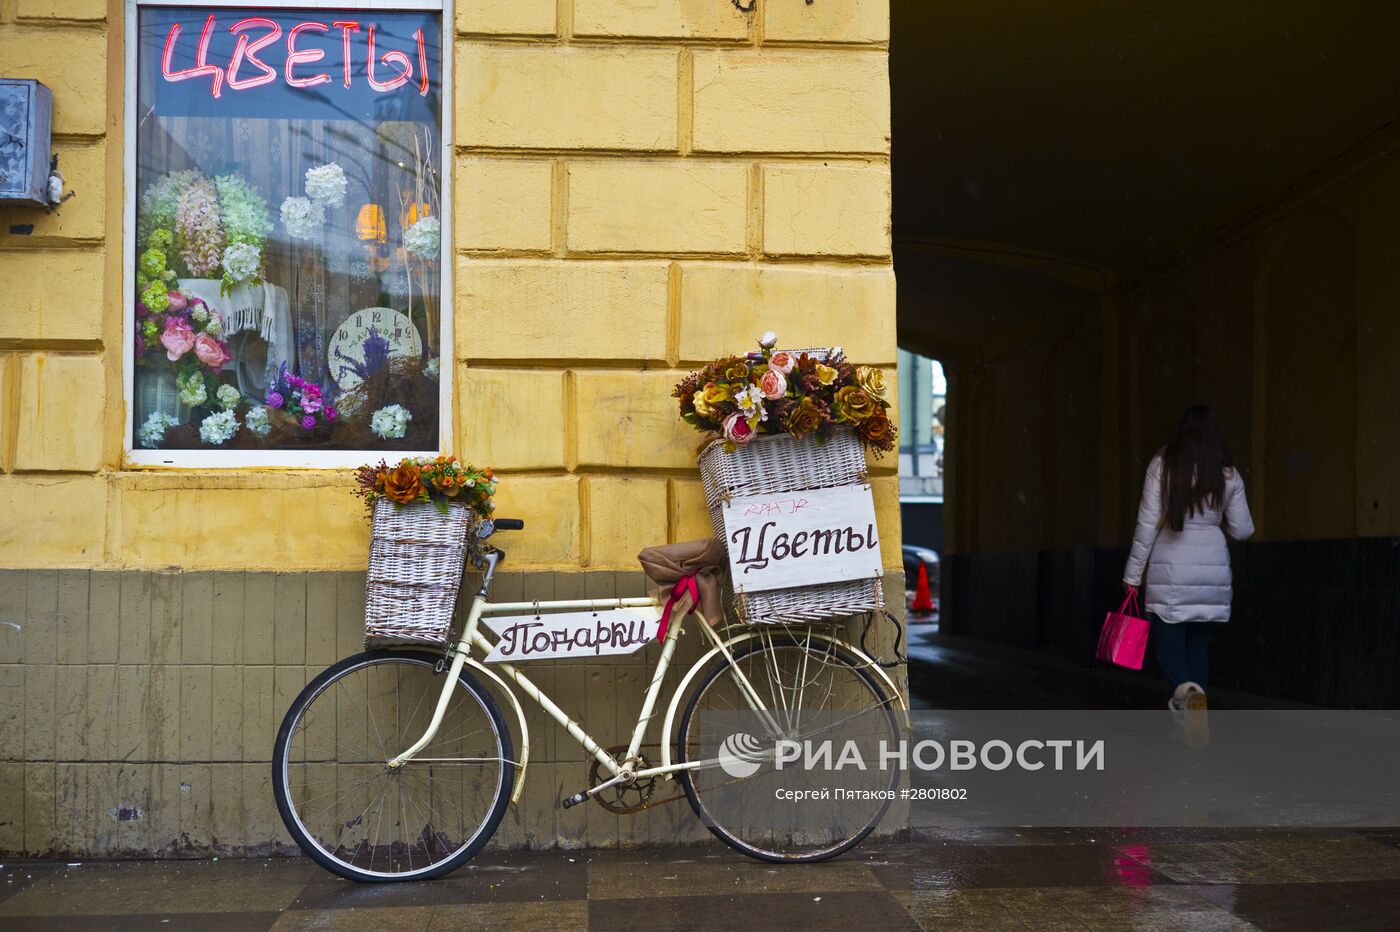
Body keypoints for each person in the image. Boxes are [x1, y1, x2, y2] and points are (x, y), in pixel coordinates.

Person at [1123, 405, 1254, 719]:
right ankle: (1194, 710)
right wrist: (1213, 515)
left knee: (1168, 647)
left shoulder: (1162, 464)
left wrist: (1133, 575)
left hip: (1171, 569)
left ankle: (1186, 692)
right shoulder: (1227, 472)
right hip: (1213, 571)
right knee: (1198, 645)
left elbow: (1146, 525)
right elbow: (1243, 529)